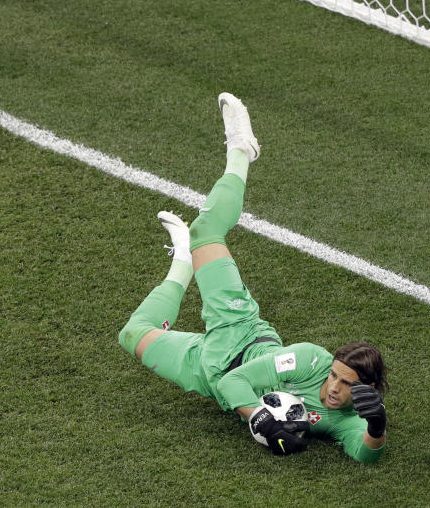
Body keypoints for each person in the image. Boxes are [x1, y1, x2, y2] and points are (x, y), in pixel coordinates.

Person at [118, 93, 388, 463]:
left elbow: (365, 454)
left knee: (132, 333)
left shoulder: (345, 417)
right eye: (335, 376)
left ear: (367, 391)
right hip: (237, 329)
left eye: (347, 385)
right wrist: (261, 421)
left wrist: (376, 427)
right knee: (205, 232)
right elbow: (236, 382)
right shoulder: (310, 360)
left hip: (205, 369)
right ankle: (241, 149)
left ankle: (182, 263)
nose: (334, 389)